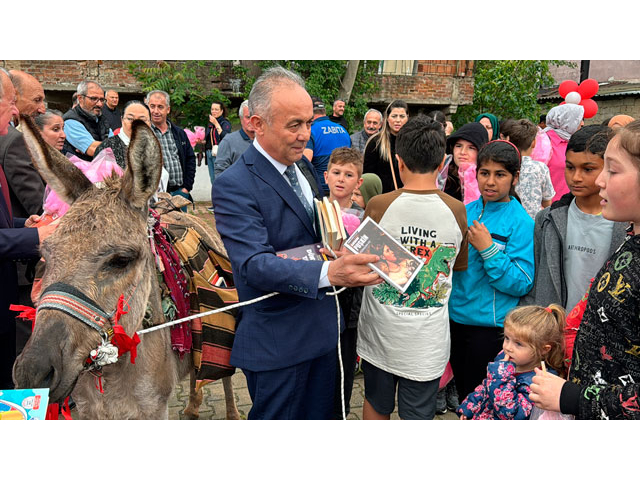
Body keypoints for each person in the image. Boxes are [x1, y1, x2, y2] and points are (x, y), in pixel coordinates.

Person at [211, 66, 382, 420]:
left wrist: (341, 248)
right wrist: (329, 272)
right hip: (280, 344)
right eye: (294, 125)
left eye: (308, 122)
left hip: (324, 332)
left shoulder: (301, 168)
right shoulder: (234, 184)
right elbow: (253, 264)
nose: (306, 135)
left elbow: (310, 235)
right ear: (256, 123)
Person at [357, 115, 468, 420]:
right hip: (426, 341)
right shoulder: (457, 210)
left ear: (398, 161)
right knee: (418, 416)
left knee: (376, 404)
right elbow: (456, 267)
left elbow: (362, 258)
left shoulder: (379, 205)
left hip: (380, 334)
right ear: (443, 161)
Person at [530, 120, 640, 419]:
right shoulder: (550, 219)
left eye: (611, 170)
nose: (599, 180)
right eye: (569, 167)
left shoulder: (623, 232)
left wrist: (575, 398)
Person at [448, 140, 535, 402]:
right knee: (465, 396)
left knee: (484, 400)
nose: (491, 181)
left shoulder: (521, 222)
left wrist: (489, 251)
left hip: (489, 329)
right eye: (485, 173)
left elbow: (523, 282)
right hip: (454, 320)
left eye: (500, 174)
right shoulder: (465, 211)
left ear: (515, 177)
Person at [520, 124, 628, 312]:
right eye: (570, 167)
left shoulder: (627, 225)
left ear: (608, 169)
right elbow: (536, 280)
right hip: (555, 329)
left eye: (588, 169)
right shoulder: (547, 220)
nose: (576, 177)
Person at [0, 69, 57, 389]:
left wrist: (25, 224)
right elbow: (35, 197)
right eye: (11, 103)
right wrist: (36, 235)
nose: (15, 112)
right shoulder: (15, 139)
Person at [458, 304, 565, 420]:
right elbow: (486, 386)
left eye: (518, 344)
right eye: (507, 338)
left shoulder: (537, 383)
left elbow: (509, 414)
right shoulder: (504, 358)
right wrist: (470, 406)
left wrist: (500, 377)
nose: (508, 347)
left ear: (544, 349)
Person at [323, 146, 364, 419]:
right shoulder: (314, 209)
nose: (340, 179)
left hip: (350, 305)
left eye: (348, 174)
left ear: (358, 182)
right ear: (326, 176)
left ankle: (342, 412)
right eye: (336, 172)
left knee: (344, 366)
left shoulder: (365, 217)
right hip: (320, 301)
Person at [146, 90, 196, 207]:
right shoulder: (145, 133)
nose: (156, 111)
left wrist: (186, 188)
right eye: (152, 106)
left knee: (180, 225)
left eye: (160, 107)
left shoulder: (178, 133)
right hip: (156, 196)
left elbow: (190, 159)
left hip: (179, 193)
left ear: (168, 109)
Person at [302, 97, 351, 195]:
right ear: (324, 111)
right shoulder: (342, 129)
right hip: (342, 188)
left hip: (320, 189)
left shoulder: (312, 130)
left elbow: (305, 162)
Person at [508, 118, 555, 219]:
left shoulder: (504, 165)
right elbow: (547, 202)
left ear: (509, 140)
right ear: (533, 143)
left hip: (508, 221)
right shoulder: (540, 168)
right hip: (533, 224)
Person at [363, 100, 409, 193]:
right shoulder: (375, 142)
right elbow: (368, 175)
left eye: (402, 116)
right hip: (382, 196)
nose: (398, 120)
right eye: (394, 116)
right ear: (387, 118)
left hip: (407, 196)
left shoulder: (413, 142)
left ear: (407, 118)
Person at [541, 103, 584, 201]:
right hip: (548, 207)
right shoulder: (544, 141)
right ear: (566, 120)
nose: (582, 123)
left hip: (569, 204)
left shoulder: (573, 141)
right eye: (578, 119)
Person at [63, 80, 113, 161]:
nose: (99, 104)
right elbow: (94, 149)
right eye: (94, 99)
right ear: (80, 98)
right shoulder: (71, 121)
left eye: (102, 100)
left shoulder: (101, 119)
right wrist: (94, 148)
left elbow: (117, 146)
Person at [94, 101, 152, 169]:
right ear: (122, 120)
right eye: (130, 119)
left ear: (150, 123)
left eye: (142, 120)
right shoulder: (106, 147)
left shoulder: (153, 145)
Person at [443, 122, 488, 203]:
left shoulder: (488, 182)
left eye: (471, 148)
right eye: (458, 146)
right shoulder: (443, 179)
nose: (463, 152)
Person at [214, 100, 255, 178]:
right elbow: (220, 173)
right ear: (241, 118)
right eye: (248, 117)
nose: (251, 121)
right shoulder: (228, 142)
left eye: (254, 117)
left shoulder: (265, 141)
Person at [204, 100, 232, 209]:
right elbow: (209, 140)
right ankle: (217, 203)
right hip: (210, 153)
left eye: (216, 109)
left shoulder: (225, 123)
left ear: (221, 111)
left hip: (220, 154)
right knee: (213, 179)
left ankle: (223, 203)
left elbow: (226, 137)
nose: (214, 111)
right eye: (212, 109)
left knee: (220, 179)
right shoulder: (210, 125)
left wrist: (216, 123)